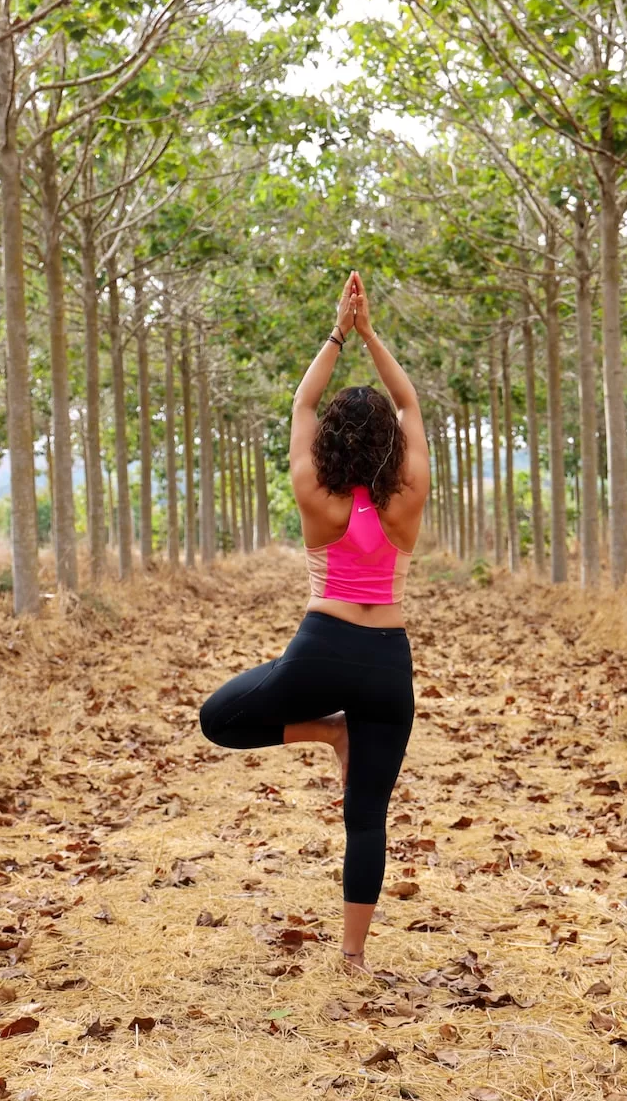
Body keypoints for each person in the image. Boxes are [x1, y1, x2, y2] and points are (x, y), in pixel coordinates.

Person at [198, 271, 429, 975]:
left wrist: (338, 331)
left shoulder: (313, 490)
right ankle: (353, 957)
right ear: (390, 442)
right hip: (389, 660)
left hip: (322, 648)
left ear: (330, 440)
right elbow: (408, 398)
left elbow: (303, 399)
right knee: (366, 816)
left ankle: (328, 730)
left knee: (219, 718)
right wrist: (370, 333)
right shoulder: (411, 491)